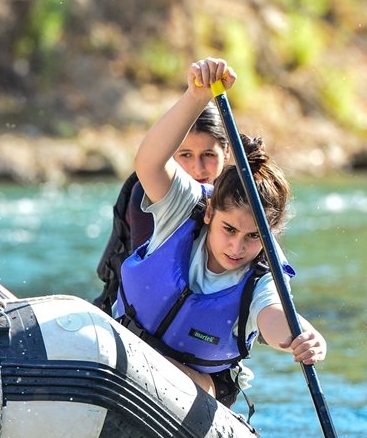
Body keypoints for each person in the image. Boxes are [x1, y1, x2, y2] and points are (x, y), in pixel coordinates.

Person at [113, 57, 327, 411]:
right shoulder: (184, 208)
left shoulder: (265, 274)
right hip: (124, 344)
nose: (237, 246)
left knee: (189, 383)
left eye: (253, 237)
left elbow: (274, 318)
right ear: (210, 212)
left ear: (270, 235)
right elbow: (149, 162)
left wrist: (301, 336)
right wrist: (195, 97)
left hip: (196, 386)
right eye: (229, 229)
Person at [93, 103, 229, 313]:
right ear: (171, 157)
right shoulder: (147, 194)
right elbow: (152, 277)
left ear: (226, 152)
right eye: (185, 155)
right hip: (133, 318)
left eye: (208, 155)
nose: (198, 168)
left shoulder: (237, 200)